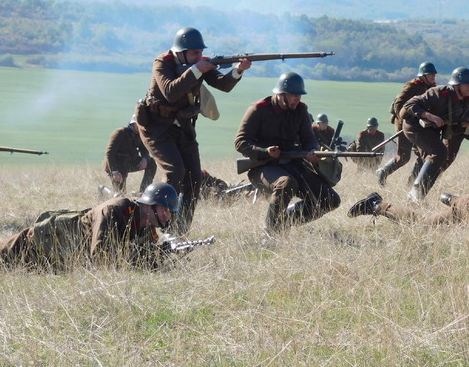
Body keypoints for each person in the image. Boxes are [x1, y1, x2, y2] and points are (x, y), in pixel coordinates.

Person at [135, 27, 251, 234]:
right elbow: (171, 92)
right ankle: (158, 228)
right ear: (181, 53)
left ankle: (181, 231)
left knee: (194, 178)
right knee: (175, 172)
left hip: (184, 128)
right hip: (157, 129)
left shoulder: (198, 64)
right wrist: (197, 68)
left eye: (200, 52)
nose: (199, 56)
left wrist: (238, 70)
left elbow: (223, 85)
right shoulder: (162, 63)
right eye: (194, 53)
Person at [0, 182, 181, 271]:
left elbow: (141, 259)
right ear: (151, 205)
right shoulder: (116, 209)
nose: (168, 216)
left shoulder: (145, 225)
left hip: (57, 261)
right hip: (41, 243)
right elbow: (102, 256)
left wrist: (163, 254)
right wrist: (142, 256)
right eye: (166, 210)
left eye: (171, 212)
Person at [235, 72, 341, 234]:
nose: (297, 99)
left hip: (293, 164)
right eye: (293, 95)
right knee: (286, 183)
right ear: (281, 94)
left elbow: (308, 138)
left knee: (330, 200)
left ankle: (283, 221)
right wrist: (265, 151)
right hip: (263, 166)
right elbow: (240, 143)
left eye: (299, 95)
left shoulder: (301, 110)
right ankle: (270, 233)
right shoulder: (258, 110)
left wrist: (313, 151)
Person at [400, 67, 469, 202]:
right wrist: (429, 115)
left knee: (436, 161)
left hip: (430, 130)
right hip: (414, 126)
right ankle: (415, 192)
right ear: (457, 85)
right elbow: (410, 104)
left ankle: (418, 197)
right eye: (467, 84)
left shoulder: (466, 100)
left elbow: (456, 121)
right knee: (440, 152)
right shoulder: (439, 93)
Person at [376, 62, 438, 186]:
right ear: (423, 76)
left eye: (434, 74)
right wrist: (405, 121)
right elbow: (398, 104)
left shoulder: (431, 88)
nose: (433, 76)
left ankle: (413, 183)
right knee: (403, 157)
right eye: (430, 74)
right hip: (404, 123)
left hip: (419, 125)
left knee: (424, 153)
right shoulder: (412, 86)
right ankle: (383, 171)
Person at [102, 116, 156, 195]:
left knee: (151, 163)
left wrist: (145, 158)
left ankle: (143, 193)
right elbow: (110, 153)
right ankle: (103, 190)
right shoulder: (120, 132)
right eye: (139, 124)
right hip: (117, 166)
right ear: (133, 123)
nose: (141, 126)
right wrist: (114, 171)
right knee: (120, 195)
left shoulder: (140, 134)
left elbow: (144, 150)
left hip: (128, 163)